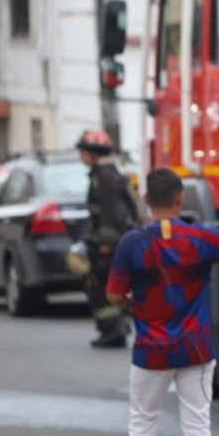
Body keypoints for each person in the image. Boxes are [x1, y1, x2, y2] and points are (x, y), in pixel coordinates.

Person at [105, 168, 219, 436]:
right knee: (197, 426)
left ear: (146, 200)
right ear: (181, 199)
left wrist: (136, 307)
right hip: (195, 348)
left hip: (150, 350)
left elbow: (114, 294)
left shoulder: (132, 243)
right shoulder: (202, 238)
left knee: (142, 425)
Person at [79, 129, 142, 347]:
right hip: (118, 241)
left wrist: (105, 243)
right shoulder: (108, 173)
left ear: (93, 153)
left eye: (83, 152)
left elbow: (111, 212)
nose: (81, 156)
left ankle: (112, 329)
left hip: (110, 244)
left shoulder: (104, 177)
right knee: (112, 283)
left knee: (98, 283)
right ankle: (118, 326)